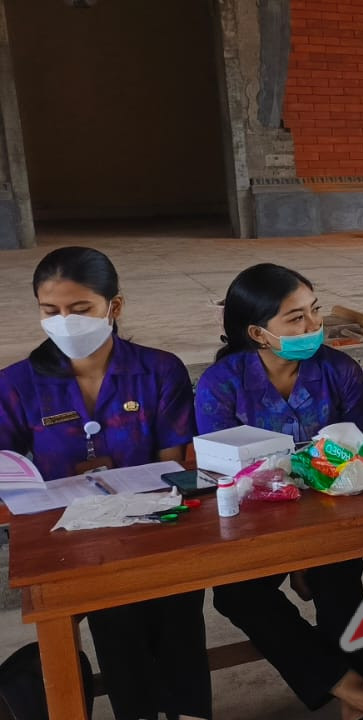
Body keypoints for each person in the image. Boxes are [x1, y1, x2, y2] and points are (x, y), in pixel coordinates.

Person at [0, 247, 212, 720]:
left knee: (179, 621)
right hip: (77, 537)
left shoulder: (159, 371)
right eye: (50, 311)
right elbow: (6, 465)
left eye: (80, 310)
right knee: (117, 629)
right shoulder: (18, 384)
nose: (64, 322)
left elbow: (170, 461)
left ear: (113, 307)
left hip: (161, 524)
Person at [193, 263, 363, 719]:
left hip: (333, 515)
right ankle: (355, 689)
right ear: (258, 333)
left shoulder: (338, 370)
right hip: (256, 524)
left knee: (339, 580)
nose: (313, 326)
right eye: (295, 318)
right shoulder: (221, 385)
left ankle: (358, 690)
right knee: (237, 594)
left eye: (314, 310)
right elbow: (225, 473)